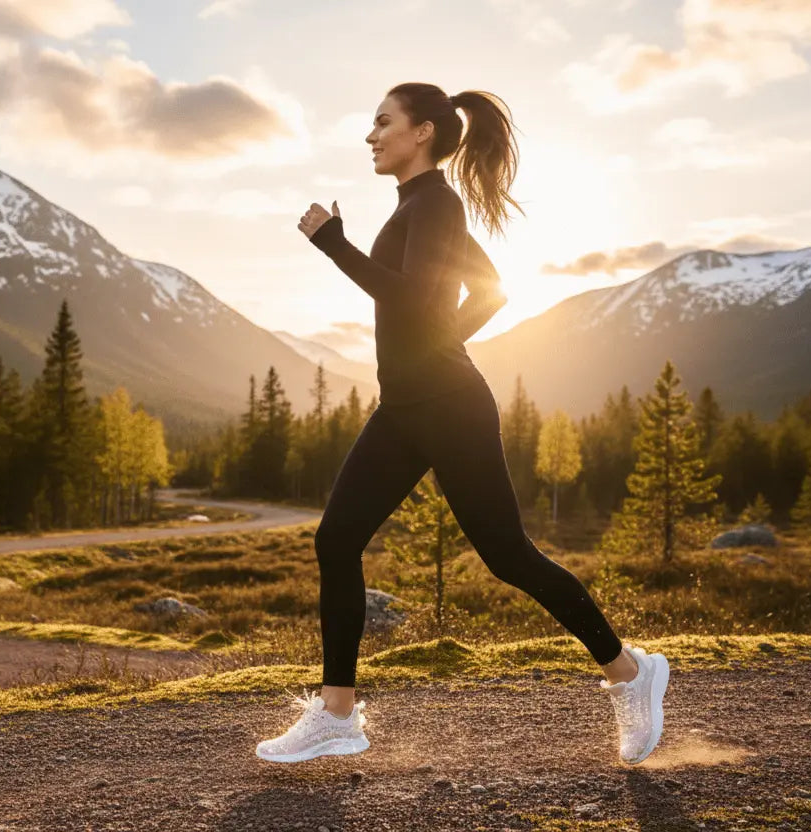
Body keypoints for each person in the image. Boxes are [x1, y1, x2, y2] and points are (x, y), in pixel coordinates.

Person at [254, 83, 669, 766]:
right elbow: (490, 289)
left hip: (448, 405)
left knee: (509, 556)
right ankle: (337, 715)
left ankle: (630, 672)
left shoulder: (436, 203)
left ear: (420, 133)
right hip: (407, 405)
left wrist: (333, 243)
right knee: (337, 539)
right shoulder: (421, 207)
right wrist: (441, 340)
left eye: (382, 122)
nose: (371, 135)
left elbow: (416, 296)